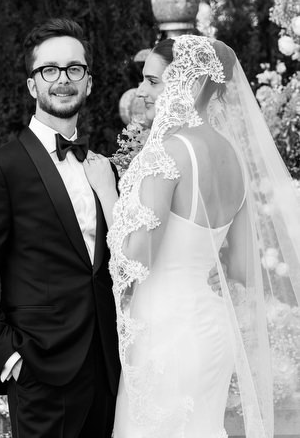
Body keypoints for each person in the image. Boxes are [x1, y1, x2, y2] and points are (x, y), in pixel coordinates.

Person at [84, 35, 300, 438]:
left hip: (165, 333)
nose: (142, 91)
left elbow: (138, 258)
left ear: (191, 84)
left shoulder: (167, 152)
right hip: (211, 330)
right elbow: (239, 265)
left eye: (153, 81)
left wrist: (107, 191)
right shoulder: (232, 156)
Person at [0, 18, 121, 438]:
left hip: (110, 371)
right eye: (50, 70)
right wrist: (10, 358)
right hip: (41, 375)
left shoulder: (105, 168)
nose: (63, 79)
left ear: (89, 82)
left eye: (74, 69)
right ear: (32, 86)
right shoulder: (1, 168)